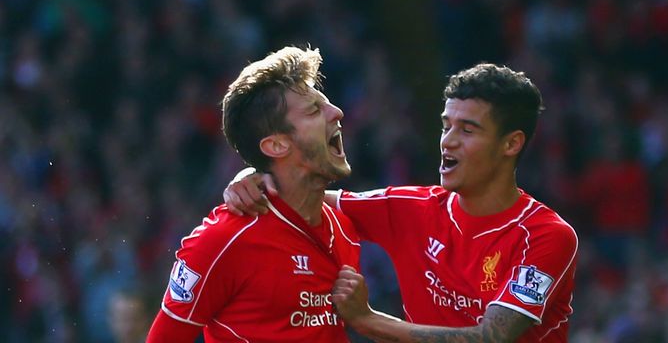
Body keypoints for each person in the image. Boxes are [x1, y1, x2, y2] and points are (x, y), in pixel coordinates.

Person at [225, 63, 578, 342]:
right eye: (446, 126)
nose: (448, 142)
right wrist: (255, 179)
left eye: (467, 131)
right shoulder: (412, 209)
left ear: (511, 144)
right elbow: (301, 197)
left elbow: (490, 337)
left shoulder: (546, 236)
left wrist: (368, 320)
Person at [146, 46, 361, 342]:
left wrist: (367, 318)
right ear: (276, 146)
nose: (337, 112)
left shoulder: (344, 228)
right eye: (314, 110)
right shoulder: (223, 240)